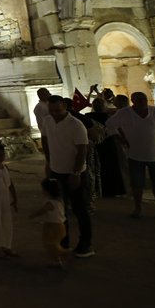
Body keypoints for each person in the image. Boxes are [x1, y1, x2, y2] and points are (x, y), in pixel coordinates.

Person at [106, 92, 155, 220]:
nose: (142, 102)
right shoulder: (124, 113)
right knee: (137, 183)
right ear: (133, 101)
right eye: (139, 100)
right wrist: (120, 139)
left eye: (144, 99)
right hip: (135, 154)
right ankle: (138, 209)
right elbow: (110, 125)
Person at [41, 95, 94, 258]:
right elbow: (45, 140)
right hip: (57, 171)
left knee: (80, 209)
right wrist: (49, 162)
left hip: (74, 172)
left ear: (65, 106)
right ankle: (64, 242)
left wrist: (76, 172)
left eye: (58, 110)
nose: (55, 113)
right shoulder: (47, 121)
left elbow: (82, 150)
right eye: (51, 110)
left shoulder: (76, 125)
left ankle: (85, 245)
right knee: (60, 210)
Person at [29, 178, 70, 268]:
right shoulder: (60, 200)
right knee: (53, 243)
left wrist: (32, 215)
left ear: (47, 191)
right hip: (60, 226)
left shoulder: (50, 203)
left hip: (53, 227)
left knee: (50, 244)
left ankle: (62, 253)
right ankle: (57, 260)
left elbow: (42, 211)